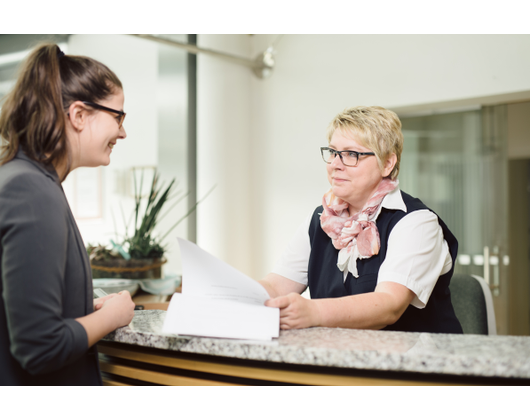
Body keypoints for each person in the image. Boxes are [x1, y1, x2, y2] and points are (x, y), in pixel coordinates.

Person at [0, 43, 136, 386]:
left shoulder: (27, 179)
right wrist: (114, 316)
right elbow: (40, 346)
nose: (122, 132)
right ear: (78, 115)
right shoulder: (30, 191)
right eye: (117, 117)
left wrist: (83, 310)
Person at [260, 106, 463, 334]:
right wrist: (228, 291)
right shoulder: (319, 220)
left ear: (387, 164)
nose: (335, 164)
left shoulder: (416, 222)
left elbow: (389, 305)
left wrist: (313, 312)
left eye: (351, 154)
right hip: (341, 358)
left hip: (419, 362)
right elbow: (276, 286)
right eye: (333, 152)